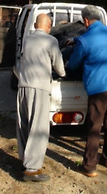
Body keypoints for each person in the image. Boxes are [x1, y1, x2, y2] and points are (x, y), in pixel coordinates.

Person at [66, 5, 107, 177]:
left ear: (85, 20)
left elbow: (74, 64)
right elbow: (95, 41)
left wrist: (69, 61)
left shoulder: (85, 40)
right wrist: (76, 41)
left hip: (99, 89)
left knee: (94, 127)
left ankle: (90, 166)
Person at [16, 13, 66, 182]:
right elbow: (59, 66)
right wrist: (64, 73)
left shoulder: (26, 39)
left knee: (24, 125)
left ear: (35, 25)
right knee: (38, 128)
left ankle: (25, 160)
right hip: (39, 89)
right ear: (49, 26)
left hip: (23, 86)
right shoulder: (51, 41)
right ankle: (32, 170)